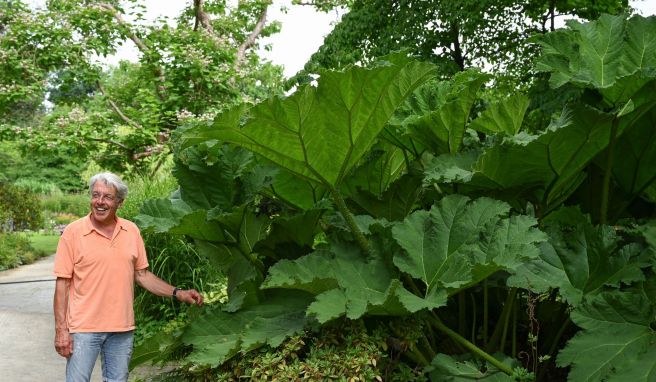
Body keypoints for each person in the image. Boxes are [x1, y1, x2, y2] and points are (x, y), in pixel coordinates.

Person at [53, 172, 203, 382]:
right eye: (96, 195)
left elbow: (142, 275)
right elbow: (62, 284)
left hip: (121, 328)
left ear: (119, 202)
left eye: (107, 197)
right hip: (83, 328)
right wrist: (61, 330)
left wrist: (178, 293)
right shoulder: (73, 232)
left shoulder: (131, 231)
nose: (100, 202)